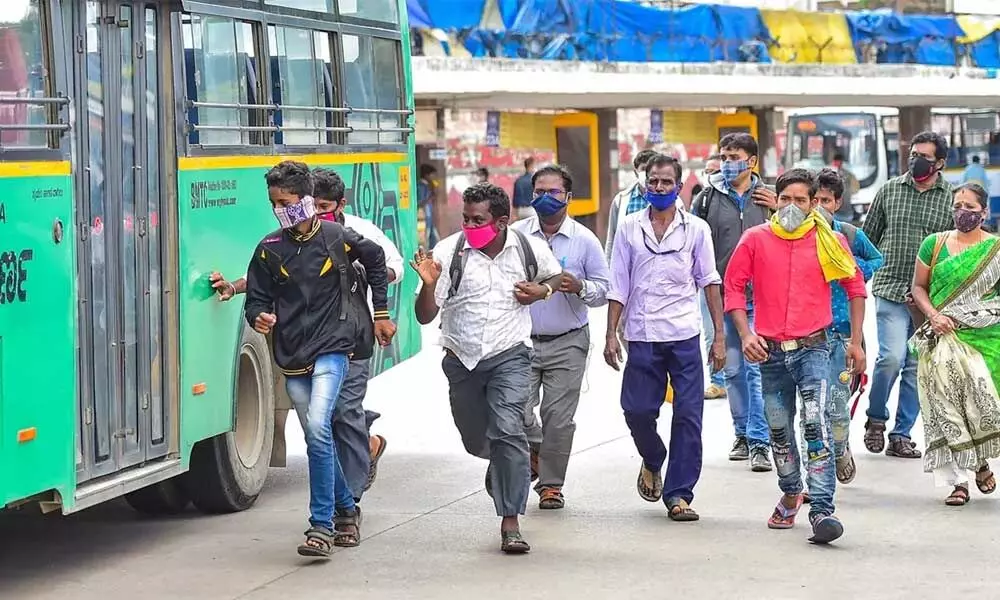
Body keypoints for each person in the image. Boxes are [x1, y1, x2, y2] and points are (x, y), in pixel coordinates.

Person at [209, 169, 403, 513]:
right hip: (296, 350)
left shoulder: (346, 235)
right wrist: (255, 309)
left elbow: (384, 264)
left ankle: (336, 511)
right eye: (274, 204)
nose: (279, 210)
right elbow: (264, 283)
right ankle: (345, 503)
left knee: (333, 417)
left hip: (347, 341)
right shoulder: (272, 245)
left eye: (285, 203)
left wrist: (380, 312)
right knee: (321, 430)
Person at [411, 182, 562, 554]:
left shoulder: (528, 249)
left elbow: (555, 276)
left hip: (510, 356)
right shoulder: (449, 252)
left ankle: (510, 520)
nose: (469, 225)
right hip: (461, 361)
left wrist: (543, 292)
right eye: (465, 218)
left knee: (509, 429)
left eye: (478, 220)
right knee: (477, 438)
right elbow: (425, 315)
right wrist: (428, 286)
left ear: (501, 222)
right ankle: (505, 461)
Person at [724, 168, 867, 545]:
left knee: (814, 424)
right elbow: (733, 288)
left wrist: (855, 341)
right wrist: (745, 333)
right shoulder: (754, 239)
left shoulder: (829, 239)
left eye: (801, 200)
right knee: (779, 430)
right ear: (775, 198)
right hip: (769, 352)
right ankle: (791, 492)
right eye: (785, 198)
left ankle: (822, 510)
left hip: (815, 349)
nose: (791, 206)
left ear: (813, 203)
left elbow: (855, 286)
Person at [605, 153, 726, 522]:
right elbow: (618, 283)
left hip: (685, 334)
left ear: (679, 185)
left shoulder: (696, 230)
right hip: (641, 334)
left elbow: (709, 281)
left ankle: (679, 494)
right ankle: (653, 458)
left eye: (666, 182)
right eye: (653, 181)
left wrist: (719, 336)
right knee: (637, 410)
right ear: (645, 183)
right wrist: (610, 333)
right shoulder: (628, 227)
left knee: (689, 415)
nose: (658, 188)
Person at [511, 164, 610, 510]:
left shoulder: (584, 240)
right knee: (515, 411)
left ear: (568, 197)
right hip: (520, 341)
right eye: (539, 191)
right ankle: (537, 449)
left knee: (559, 417)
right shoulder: (517, 236)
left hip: (568, 341)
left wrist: (579, 287)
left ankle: (551, 484)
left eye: (553, 192)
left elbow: (604, 290)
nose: (545, 198)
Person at [862, 131, 954, 459]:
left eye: (925, 156)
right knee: (891, 357)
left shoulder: (949, 200)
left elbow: (953, 250)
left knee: (916, 366)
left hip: (927, 298)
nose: (916, 160)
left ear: (940, 162)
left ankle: (901, 434)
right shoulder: (889, 191)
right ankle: (876, 418)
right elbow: (867, 239)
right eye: (913, 153)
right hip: (889, 287)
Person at [909, 183, 1000, 507]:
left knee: (980, 403)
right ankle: (958, 482)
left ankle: (981, 462)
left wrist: (977, 314)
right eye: (958, 205)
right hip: (943, 334)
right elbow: (918, 288)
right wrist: (934, 315)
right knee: (947, 404)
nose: (963, 211)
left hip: (986, 338)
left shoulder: (995, 249)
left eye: (970, 207)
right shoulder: (934, 245)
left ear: (984, 212)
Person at [691, 133, 776, 471]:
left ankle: (759, 441)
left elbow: (795, 234)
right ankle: (742, 433)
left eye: (734, 157)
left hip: (763, 297)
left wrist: (778, 209)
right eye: (723, 157)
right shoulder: (706, 198)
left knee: (756, 370)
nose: (727, 163)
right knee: (732, 369)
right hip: (723, 298)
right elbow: (695, 245)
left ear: (751, 161)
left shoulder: (769, 196)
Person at [815, 168, 884, 485]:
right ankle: (816, 471)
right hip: (808, 334)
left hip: (843, 333)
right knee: (811, 407)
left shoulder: (851, 235)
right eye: (813, 199)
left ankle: (841, 448)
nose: (818, 206)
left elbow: (877, 259)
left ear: (837, 202)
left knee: (837, 404)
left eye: (825, 200)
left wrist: (856, 270)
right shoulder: (799, 237)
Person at [698, 154, 727, 401]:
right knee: (711, 332)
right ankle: (717, 381)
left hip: (739, 285)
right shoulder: (703, 200)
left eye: (716, 170)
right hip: (708, 282)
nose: (712, 175)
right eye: (708, 171)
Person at [605, 149, 658, 263]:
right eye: (644, 169)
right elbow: (612, 238)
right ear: (636, 172)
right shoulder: (621, 200)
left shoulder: (672, 200)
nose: (648, 173)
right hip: (628, 263)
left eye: (651, 169)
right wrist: (609, 268)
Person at [830, 152, 859, 222]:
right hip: (839, 211)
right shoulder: (847, 174)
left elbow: (855, 189)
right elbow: (855, 189)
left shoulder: (847, 175)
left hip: (843, 211)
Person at [419, 164, 439, 248]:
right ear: (427, 175)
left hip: (429, 217)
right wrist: (430, 197)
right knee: (425, 239)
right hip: (423, 217)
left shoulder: (428, 186)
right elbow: (420, 202)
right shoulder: (421, 186)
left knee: (433, 238)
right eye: (432, 175)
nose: (433, 177)